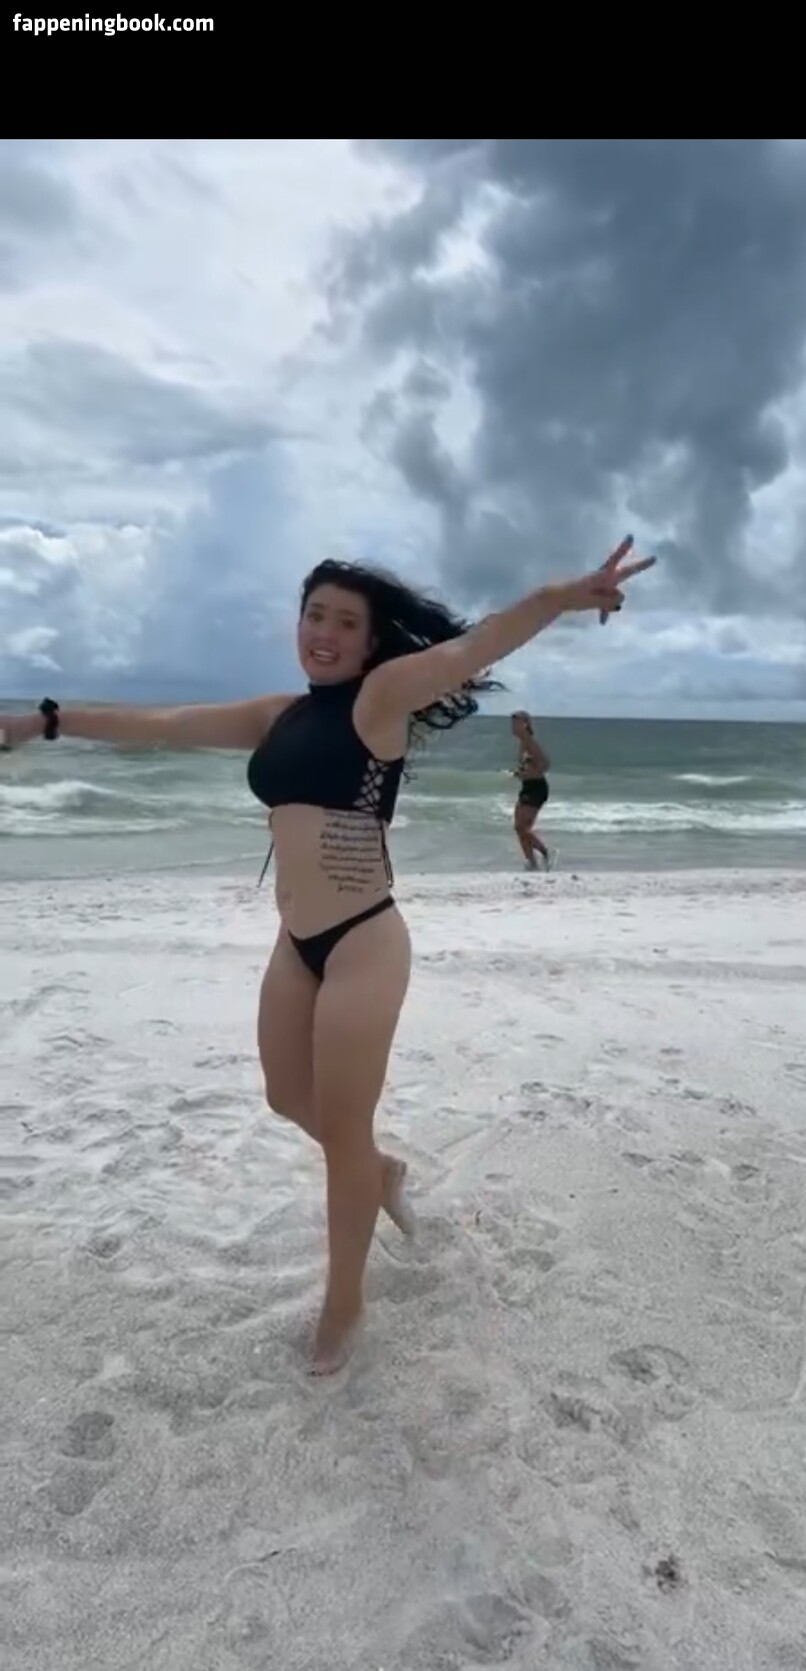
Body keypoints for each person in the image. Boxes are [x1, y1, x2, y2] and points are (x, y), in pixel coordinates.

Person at [0, 535, 655, 1373]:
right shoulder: (278, 716)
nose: (326, 632)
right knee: (286, 1097)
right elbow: (163, 725)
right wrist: (46, 722)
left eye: (347, 622)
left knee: (342, 1129)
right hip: (296, 943)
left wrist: (560, 597)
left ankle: (344, 1303)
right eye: (316, 615)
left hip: (364, 942)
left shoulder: (379, 700)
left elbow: (472, 647)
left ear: (371, 641)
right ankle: (378, 1172)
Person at [511, 710, 552, 869]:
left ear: (525, 725)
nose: (513, 727)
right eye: (512, 723)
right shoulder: (523, 743)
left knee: (521, 828)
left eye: (516, 723)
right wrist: (520, 773)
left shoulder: (529, 742)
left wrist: (529, 773)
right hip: (528, 786)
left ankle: (545, 853)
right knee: (520, 828)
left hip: (536, 788)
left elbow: (545, 764)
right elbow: (529, 764)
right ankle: (532, 863)